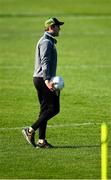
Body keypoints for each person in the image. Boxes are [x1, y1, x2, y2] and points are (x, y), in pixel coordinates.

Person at [22, 17, 64, 148]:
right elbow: (45, 61)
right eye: (58, 26)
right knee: (54, 109)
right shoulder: (46, 42)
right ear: (51, 27)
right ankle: (30, 130)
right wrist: (47, 80)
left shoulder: (48, 41)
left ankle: (41, 141)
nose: (60, 28)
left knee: (45, 109)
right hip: (42, 79)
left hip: (41, 79)